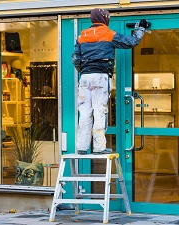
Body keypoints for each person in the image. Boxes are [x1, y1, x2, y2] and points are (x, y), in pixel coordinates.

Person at [72, 8, 150, 155]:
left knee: (85, 112)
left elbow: (75, 59)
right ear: (105, 18)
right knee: (100, 111)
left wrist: (84, 71)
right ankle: (99, 147)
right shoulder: (108, 34)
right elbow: (131, 42)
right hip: (101, 77)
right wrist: (141, 28)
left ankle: (82, 147)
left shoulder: (82, 36)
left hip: (85, 78)